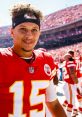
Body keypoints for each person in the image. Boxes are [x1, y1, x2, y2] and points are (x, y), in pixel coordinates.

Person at [0, 3, 67, 117]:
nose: (29, 36)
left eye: (34, 30)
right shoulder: (2, 58)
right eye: (23, 29)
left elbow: (53, 103)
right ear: (12, 32)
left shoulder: (46, 59)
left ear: (39, 33)